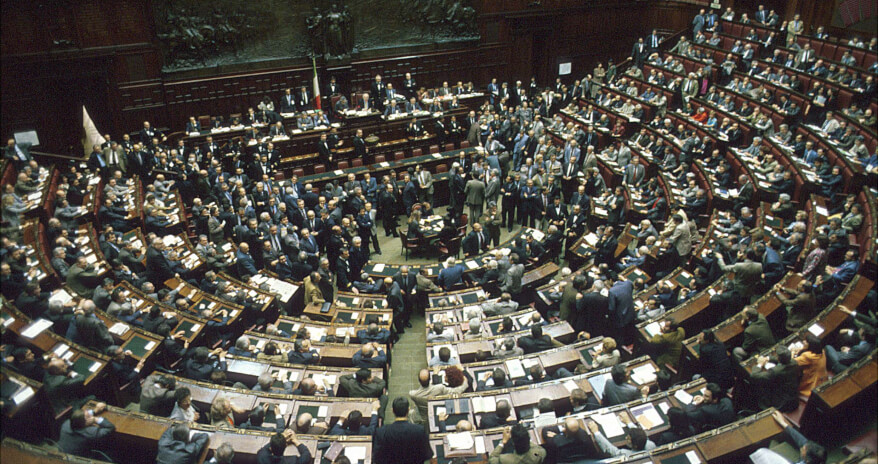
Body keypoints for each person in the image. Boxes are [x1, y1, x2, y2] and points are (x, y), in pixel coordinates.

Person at [373, 397, 434, 464]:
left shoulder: (381, 432)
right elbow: (427, 455)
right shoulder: (420, 430)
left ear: (392, 411)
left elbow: (377, 458)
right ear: (408, 410)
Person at [749, 411, 826, 464]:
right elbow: (802, 440)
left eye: (803, 449)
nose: (802, 447)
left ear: (807, 460)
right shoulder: (816, 457)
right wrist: (782, 423)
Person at [749, 346, 802, 412]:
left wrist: (760, 364)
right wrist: (768, 358)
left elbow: (754, 375)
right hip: (794, 398)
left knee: (759, 389)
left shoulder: (775, 371)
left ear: (778, 358)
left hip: (782, 403)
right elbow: (784, 360)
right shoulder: (794, 362)